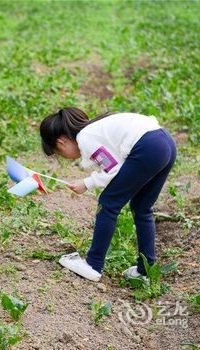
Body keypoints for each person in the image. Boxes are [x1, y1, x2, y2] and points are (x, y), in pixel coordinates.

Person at [39, 107, 177, 281]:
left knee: (108, 203)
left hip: (148, 147)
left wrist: (86, 183)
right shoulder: (96, 128)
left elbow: (112, 169)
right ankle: (145, 270)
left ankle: (93, 265)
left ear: (61, 143)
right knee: (142, 207)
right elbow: (117, 164)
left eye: (59, 154)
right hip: (165, 142)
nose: (64, 157)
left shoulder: (85, 137)